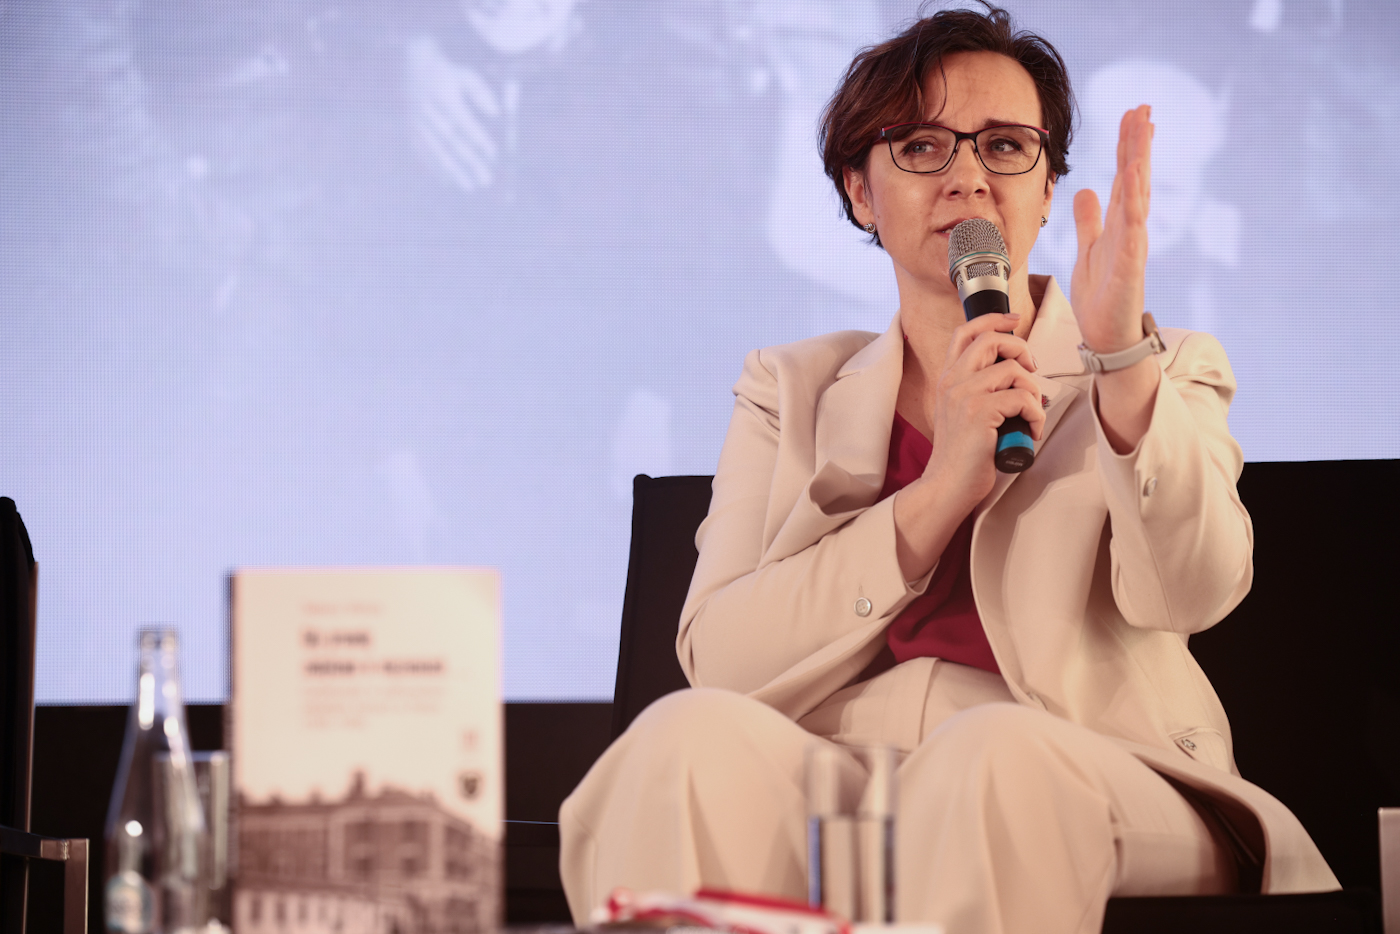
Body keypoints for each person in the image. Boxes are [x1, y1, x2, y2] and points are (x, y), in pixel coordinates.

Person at [559, 7, 1338, 933]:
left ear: (1047, 190)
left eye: (1005, 146)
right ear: (859, 191)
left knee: (993, 756)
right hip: (847, 773)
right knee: (677, 743)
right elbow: (720, 665)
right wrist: (936, 495)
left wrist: (1122, 366)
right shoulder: (788, 389)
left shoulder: (1160, 365)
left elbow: (1193, 592)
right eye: (923, 147)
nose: (968, 177)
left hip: (1097, 768)